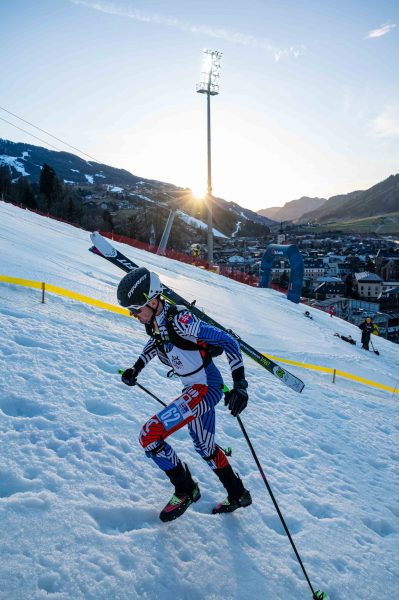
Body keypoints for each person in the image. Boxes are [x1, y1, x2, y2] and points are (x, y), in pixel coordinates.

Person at [117, 267, 252, 523]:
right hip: (193, 387)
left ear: (154, 301)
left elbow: (229, 342)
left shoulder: (181, 321)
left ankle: (185, 489)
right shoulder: (156, 322)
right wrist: (137, 367)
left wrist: (240, 385)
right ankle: (237, 493)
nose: (134, 315)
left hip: (205, 389)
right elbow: (156, 343)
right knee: (204, 446)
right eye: (131, 311)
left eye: (136, 310)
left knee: (149, 435)